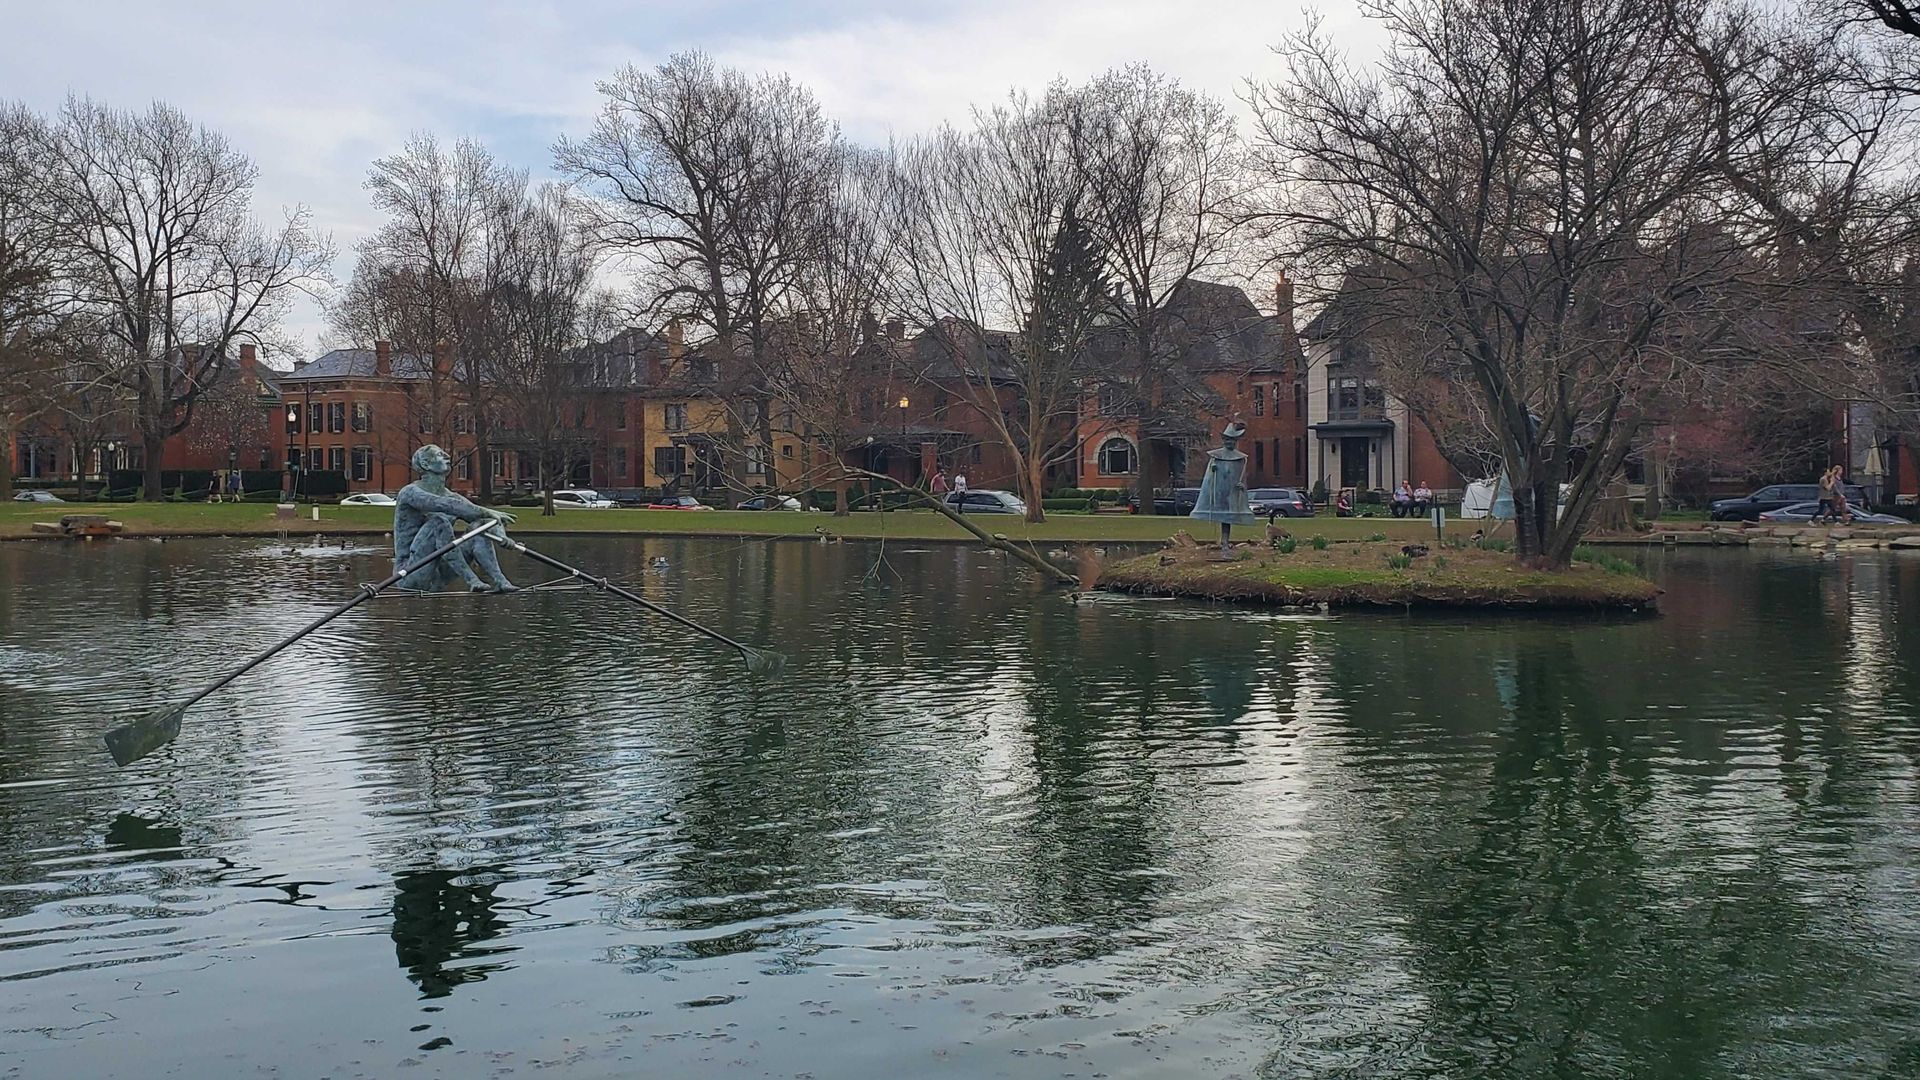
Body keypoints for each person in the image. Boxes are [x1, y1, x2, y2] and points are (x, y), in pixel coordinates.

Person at [394, 444, 518, 593]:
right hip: (410, 573)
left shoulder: (453, 497)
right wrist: (486, 511)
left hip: (439, 576)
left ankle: (501, 581)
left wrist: (502, 537)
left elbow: (485, 520)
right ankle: (472, 580)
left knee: (480, 527)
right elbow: (443, 505)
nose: (447, 456)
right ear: (426, 464)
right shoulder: (410, 492)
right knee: (439, 522)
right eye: (439, 455)